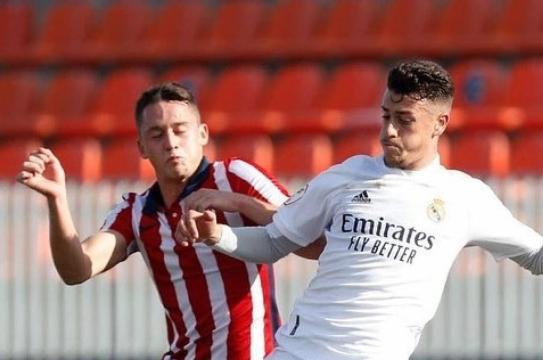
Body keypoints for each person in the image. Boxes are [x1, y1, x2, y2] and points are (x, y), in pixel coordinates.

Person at [176, 60, 543, 360]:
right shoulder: (345, 176)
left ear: (441, 123)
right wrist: (219, 237)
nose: (389, 132)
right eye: (385, 117)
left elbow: (539, 255)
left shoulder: (464, 197)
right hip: (297, 353)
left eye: (404, 121)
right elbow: (277, 241)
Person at [16, 82, 321, 360]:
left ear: (202, 134)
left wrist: (236, 203)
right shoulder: (135, 211)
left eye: (180, 130)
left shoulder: (236, 178)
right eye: (157, 134)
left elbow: (312, 243)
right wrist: (57, 200)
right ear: (142, 148)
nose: (171, 143)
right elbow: (77, 269)